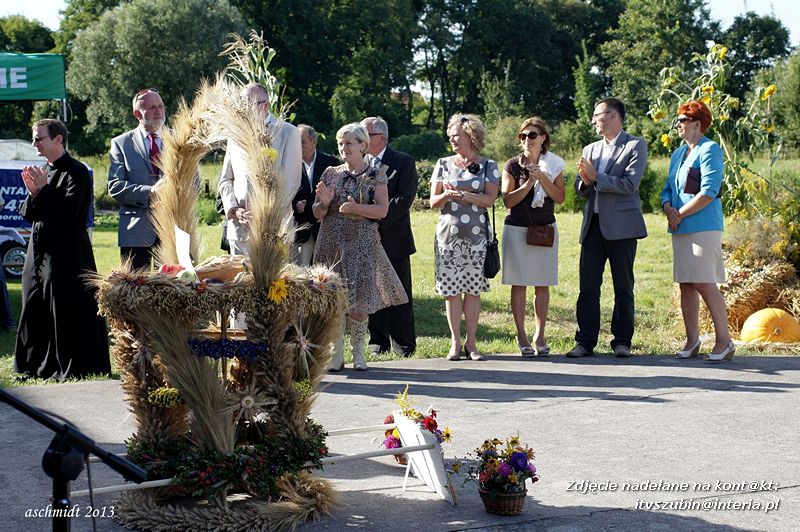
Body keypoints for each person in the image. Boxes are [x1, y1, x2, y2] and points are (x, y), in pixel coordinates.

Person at [14, 119, 110, 380]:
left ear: (58, 139)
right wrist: (34, 192)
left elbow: (70, 214)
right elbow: (28, 212)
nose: (34, 143)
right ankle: (33, 364)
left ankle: (66, 363)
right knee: (34, 302)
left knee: (64, 307)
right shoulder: (45, 169)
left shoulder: (76, 171)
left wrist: (42, 191)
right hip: (39, 249)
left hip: (67, 253)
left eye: (39, 138)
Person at [313, 123, 408, 371]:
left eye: (349, 144)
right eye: (340, 144)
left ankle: (358, 352)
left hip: (362, 243)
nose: (343, 148)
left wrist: (356, 208)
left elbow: (382, 209)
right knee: (334, 299)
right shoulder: (330, 173)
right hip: (331, 241)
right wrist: (323, 204)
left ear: (363, 145)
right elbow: (317, 213)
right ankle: (336, 354)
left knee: (359, 300)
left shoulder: (376, 174)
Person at [569, 97, 648, 359]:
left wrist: (596, 178)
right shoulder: (590, 149)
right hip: (592, 226)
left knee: (623, 286)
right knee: (588, 287)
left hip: (623, 228)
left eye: (597, 114)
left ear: (613, 116)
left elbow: (630, 184)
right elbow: (581, 189)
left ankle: (622, 341)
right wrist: (584, 182)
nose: (593, 120)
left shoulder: (636, 145)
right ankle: (585, 341)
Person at [661, 100, 734, 362]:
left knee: (704, 282)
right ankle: (692, 340)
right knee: (686, 284)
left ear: (696, 124)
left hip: (703, 226)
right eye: (678, 119)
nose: (677, 124)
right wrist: (668, 207)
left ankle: (724, 341)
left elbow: (709, 191)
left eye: (681, 120)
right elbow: (667, 189)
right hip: (679, 227)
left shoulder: (710, 149)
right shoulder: (678, 154)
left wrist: (680, 213)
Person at [429, 114, 499, 361]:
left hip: (477, 237)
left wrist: (462, 194)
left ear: (470, 135)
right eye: (450, 135)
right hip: (448, 238)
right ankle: (455, 343)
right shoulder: (443, 163)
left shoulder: (489, 165)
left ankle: (472, 344)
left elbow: (489, 200)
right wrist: (448, 196)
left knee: (472, 290)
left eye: (456, 134)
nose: (452, 139)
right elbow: (432, 202)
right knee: (451, 290)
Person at [501, 117, 565, 357]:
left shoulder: (555, 164)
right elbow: (508, 200)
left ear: (543, 138)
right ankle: (522, 335)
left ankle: (540, 335)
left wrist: (544, 178)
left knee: (542, 283)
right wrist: (529, 181)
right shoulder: (512, 165)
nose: (527, 140)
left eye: (532, 135)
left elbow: (560, 197)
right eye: (523, 136)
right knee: (519, 284)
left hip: (544, 229)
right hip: (517, 229)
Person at [218, 83, 302, 257]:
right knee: (242, 283)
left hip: (275, 229)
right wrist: (233, 210)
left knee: (274, 284)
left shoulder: (288, 132)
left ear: (265, 105)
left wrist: (265, 213)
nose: (241, 110)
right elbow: (226, 179)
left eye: (247, 104)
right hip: (241, 230)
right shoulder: (234, 136)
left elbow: (292, 182)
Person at [361, 116, 419, 358]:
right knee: (373, 290)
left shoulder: (403, 162)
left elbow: (404, 199)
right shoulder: (359, 163)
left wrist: (378, 221)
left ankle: (404, 342)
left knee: (399, 290)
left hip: (394, 237)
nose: (361, 140)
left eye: (366, 135)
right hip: (366, 237)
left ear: (381, 138)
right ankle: (378, 340)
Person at [108, 88, 166, 270]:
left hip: (173, 229)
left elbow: (194, 182)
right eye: (151, 108)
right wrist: (150, 192)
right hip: (136, 231)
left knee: (174, 292)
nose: (158, 111)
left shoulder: (180, 139)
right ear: (137, 114)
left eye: (160, 106)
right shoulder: (121, 143)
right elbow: (115, 186)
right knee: (135, 292)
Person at [291, 124, 339, 266]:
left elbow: (339, 191)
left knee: (325, 276)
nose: (298, 146)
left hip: (325, 228)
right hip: (301, 229)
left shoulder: (331, 163)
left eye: (302, 141)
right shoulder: (289, 164)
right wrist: (295, 204)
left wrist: (326, 210)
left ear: (314, 141)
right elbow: (283, 192)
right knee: (301, 276)